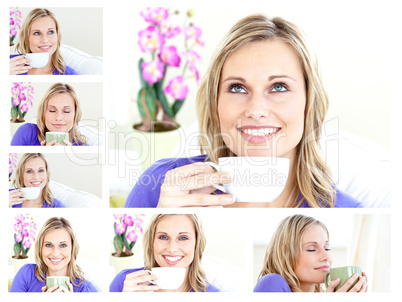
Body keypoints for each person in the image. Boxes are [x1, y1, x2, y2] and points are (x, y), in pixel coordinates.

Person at [125, 14, 362, 208]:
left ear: (308, 101)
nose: (256, 110)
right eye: (237, 88)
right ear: (215, 103)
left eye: (279, 87)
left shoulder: (346, 210)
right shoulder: (159, 186)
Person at [254, 214, 368, 292]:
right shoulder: (272, 283)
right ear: (286, 254)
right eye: (312, 249)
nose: (326, 256)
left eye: (327, 248)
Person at [109, 214, 219, 292]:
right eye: (163, 237)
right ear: (152, 243)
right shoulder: (125, 282)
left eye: (183, 238)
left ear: (196, 244)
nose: (172, 248)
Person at [10, 217, 97, 292]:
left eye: (63, 245)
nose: (55, 253)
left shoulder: (86, 290)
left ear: (72, 248)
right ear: (41, 248)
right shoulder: (26, 274)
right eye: (48, 245)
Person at [11, 83, 88, 146]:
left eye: (66, 111)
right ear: (44, 112)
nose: (58, 118)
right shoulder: (26, 133)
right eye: (52, 110)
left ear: (75, 114)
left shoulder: (84, 149)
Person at [10, 8, 77, 75]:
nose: (45, 40)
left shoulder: (69, 74)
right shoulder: (9, 63)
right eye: (37, 33)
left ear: (57, 36)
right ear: (27, 38)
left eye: (50, 32)